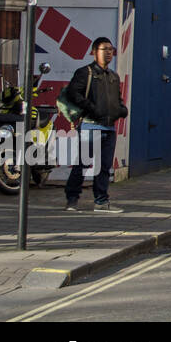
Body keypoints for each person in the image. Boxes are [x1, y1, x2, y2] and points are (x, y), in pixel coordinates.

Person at [62, 37, 128, 213]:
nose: (108, 52)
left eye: (110, 49)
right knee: (83, 163)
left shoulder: (113, 76)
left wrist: (122, 109)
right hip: (90, 126)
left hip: (109, 128)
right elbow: (73, 93)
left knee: (104, 167)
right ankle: (72, 199)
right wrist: (91, 108)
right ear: (93, 51)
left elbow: (118, 98)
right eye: (104, 49)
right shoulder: (85, 73)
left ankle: (101, 201)